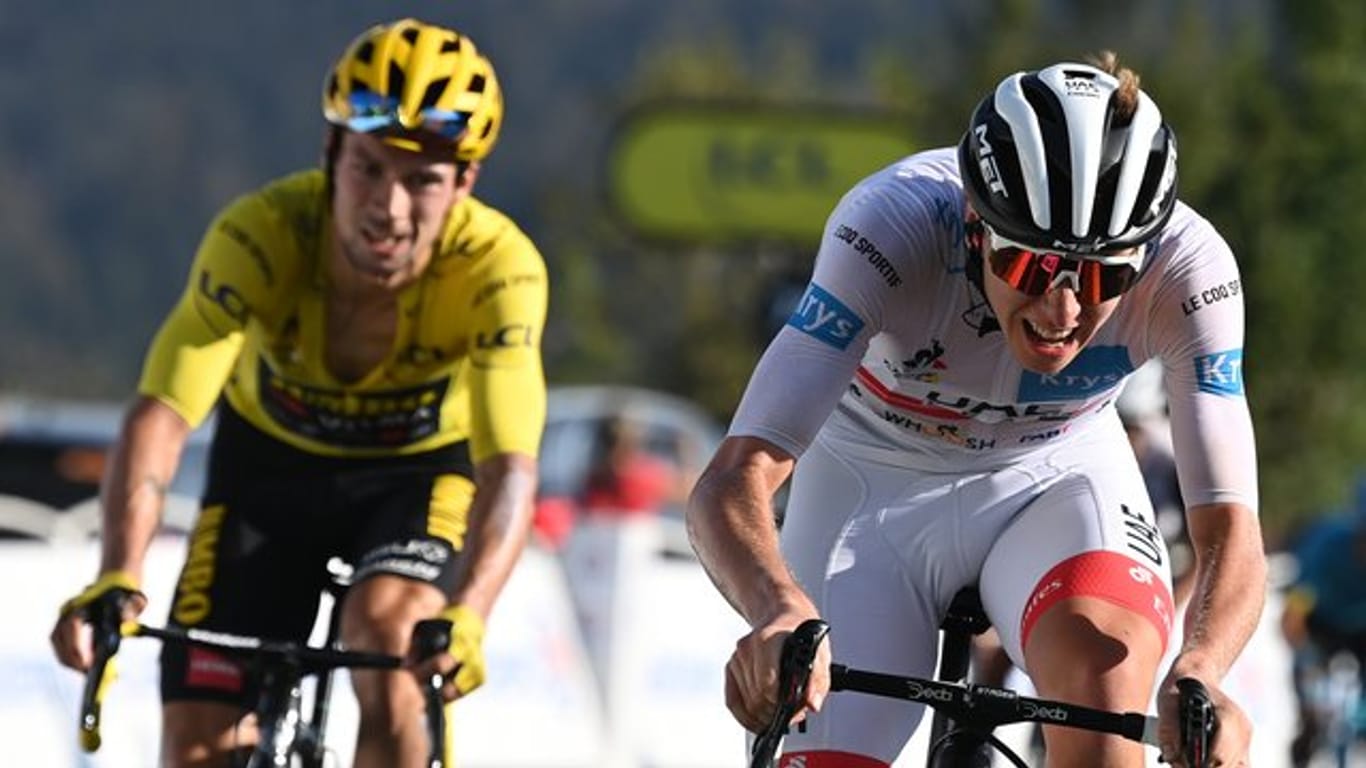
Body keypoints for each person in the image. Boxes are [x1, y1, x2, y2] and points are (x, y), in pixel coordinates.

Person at [687, 52, 1265, 768]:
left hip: (1054, 479)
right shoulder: (891, 228)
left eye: (1102, 275)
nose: (1063, 310)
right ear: (974, 225)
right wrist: (776, 608)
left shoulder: (1191, 273)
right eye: (1027, 267)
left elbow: (1231, 524)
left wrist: (1204, 668)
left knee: (1107, 683)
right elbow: (732, 478)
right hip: (869, 490)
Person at [50, 18, 548, 767]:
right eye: (370, 168)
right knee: (196, 743)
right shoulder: (260, 236)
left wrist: (469, 615)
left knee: (391, 635)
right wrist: (118, 573)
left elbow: (510, 464)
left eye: (423, 181)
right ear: (330, 152)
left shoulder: (499, 271)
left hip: (414, 480)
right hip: (267, 474)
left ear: (465, 183)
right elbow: (163, 412)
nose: (390, 207)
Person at [1280, 475, 1366, 766]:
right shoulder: (1328, 545)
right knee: (1312, 716)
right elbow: (1293, 615)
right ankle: (1306, 740)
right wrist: (1307, 661)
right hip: (1320, 626)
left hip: (1361, 632)